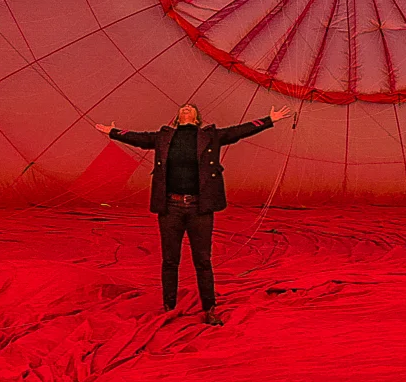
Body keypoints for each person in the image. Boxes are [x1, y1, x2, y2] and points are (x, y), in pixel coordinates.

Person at [95, 103, 290, 325]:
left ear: (197, 117)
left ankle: (209, 309)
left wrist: (269, 119)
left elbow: (239, 131)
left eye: (190, 108)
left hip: (200, 207)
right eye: (183, 108)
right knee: (170, 260)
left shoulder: (211, 136)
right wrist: (113, 132)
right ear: (177, 117)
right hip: (170, 207)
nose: (186, 109)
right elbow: (138, 139)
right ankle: (169, 306)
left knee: (203, 260)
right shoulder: (163, 137)